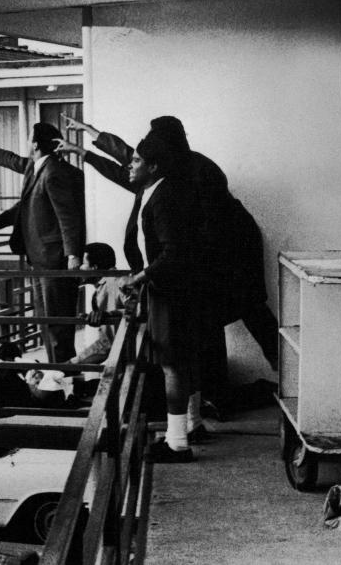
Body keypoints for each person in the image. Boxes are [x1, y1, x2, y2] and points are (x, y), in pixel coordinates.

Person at [59, 114, 278, 417]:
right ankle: (207, 405)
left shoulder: (197, 172)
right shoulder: (174, 165)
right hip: (211, 260)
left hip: (231, 257)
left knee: (247, 321)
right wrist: (91, 142)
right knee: (211, 330)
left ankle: (279, 385)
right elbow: (133, 163)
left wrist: (161, 269)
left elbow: (199, 229)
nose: (139, 159)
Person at [0, 123, 86, 362]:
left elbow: (68, 216)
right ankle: (57, 376)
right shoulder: (37, 166)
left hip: (54, 259)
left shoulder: (54, 173)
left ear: (35, 144)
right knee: (46, 321)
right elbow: (12, 162)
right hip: (40, 257)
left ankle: (65, 378)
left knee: (57, 324)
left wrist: (74, 255)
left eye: (29, 138)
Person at [120, 134, 198, 463]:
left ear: (153, 166)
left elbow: (174, 252)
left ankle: (178, 442)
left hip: (170, 291)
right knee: (178, 362)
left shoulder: (163, 197)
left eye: (136, 160)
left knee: (171, 364)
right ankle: (187, 426)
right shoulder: (156, 191)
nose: (129, 164)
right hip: (169, 289)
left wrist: (139, 277)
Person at [70, 242, 129, 366]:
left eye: (84, 264)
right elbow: (105, 343)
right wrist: (70, 364)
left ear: (95, 267)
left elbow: (139, 310)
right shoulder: (103, 288)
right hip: (123, 358)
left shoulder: (117, 282)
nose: (80, 268)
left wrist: (109, 315)